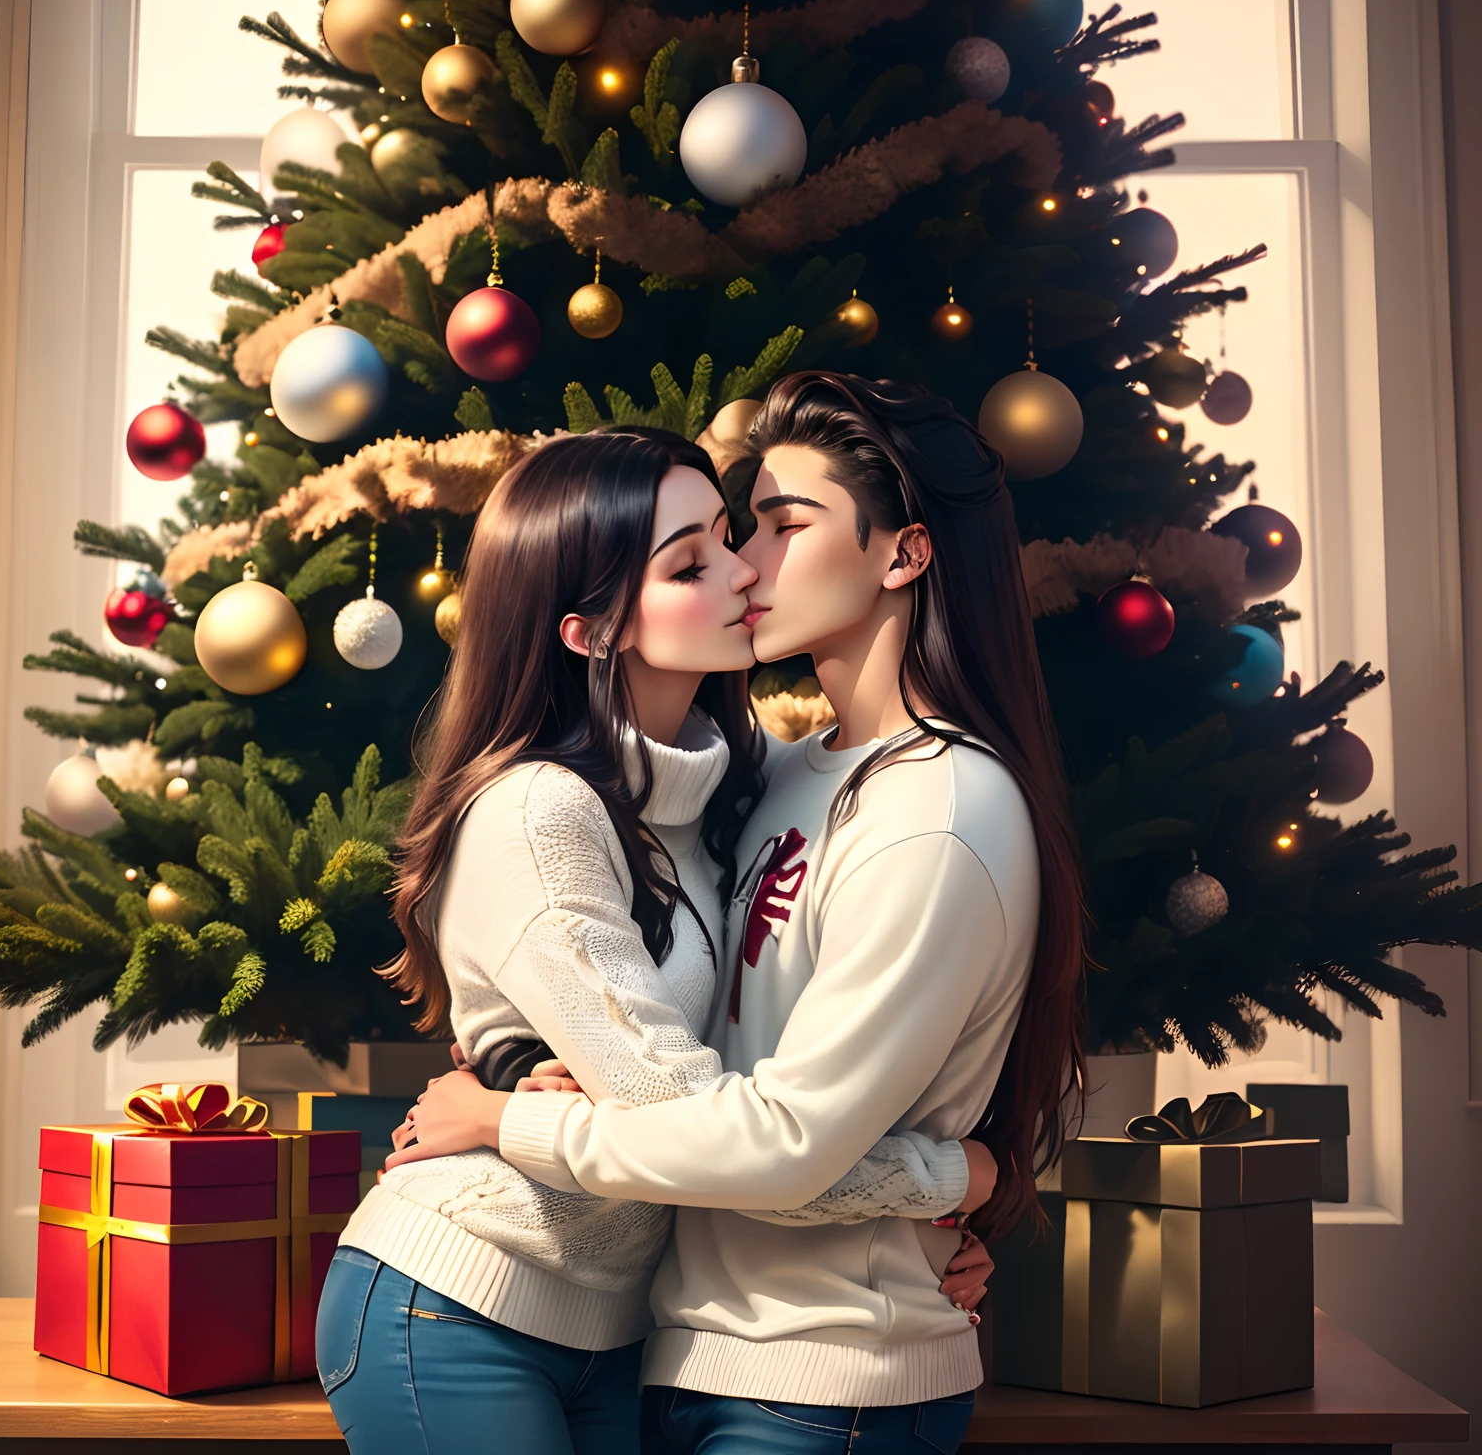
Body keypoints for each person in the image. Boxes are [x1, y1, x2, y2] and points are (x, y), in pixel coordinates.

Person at [400, 372, 1088, 1454]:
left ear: (903, 554)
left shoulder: (942, 810)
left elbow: (786, 1146)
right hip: (684, 1352)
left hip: (832, 1375)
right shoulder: (768, 777)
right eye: (728, 536)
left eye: (779, 526)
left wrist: (511, 1122)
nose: (745, 566)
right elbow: (676, 1053)